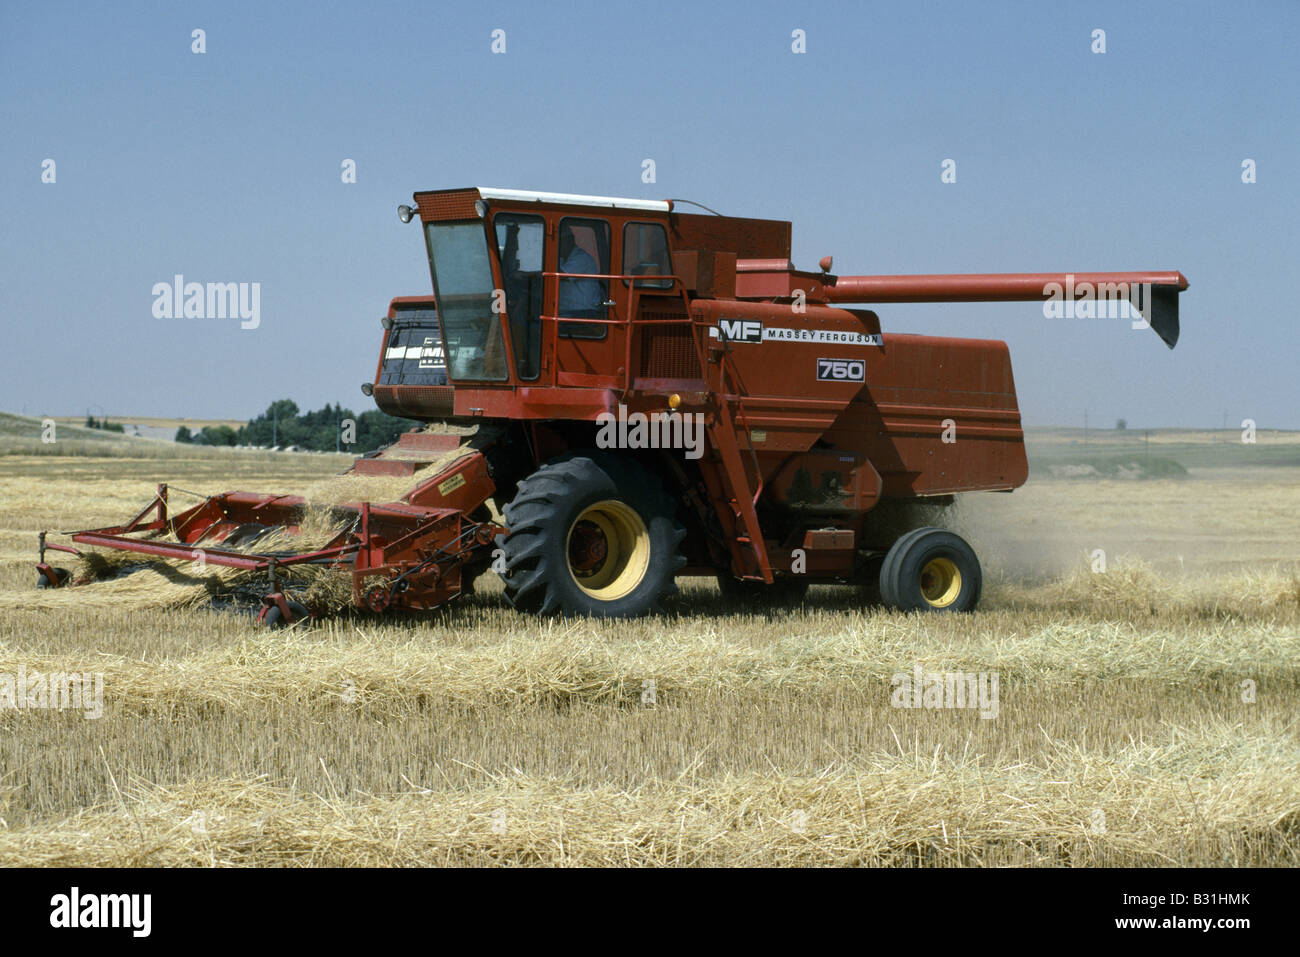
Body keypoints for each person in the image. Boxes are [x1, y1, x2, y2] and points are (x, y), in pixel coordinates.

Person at [558, 227, 603, 316]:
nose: (557, 246)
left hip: (582, 312)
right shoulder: (563, 260)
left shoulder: (581, 258)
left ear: (569, 241)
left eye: (560, 242)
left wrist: (537, 274)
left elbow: (562, 275)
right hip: (569, 310)